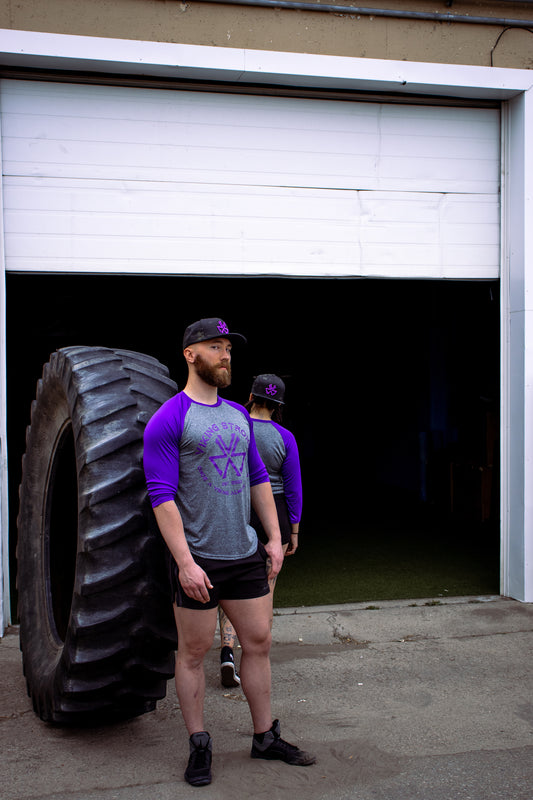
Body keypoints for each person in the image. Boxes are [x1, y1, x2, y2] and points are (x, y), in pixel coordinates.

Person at [143, 317, 316, 787]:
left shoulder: (239, 416)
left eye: (229, 349)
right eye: (215, 347)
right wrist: (184, 563)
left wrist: (274, 538)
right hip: (199, 557)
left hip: (243, 553)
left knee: (258, 643)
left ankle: (265, 737)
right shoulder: (170, 418)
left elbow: (259, 478)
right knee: (193, 654)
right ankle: (200, 744)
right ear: (190, 354)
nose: (225, 355)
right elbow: (161, 497)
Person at [218, 373, 302, 687]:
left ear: (251, 396)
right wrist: (293, 531)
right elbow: (294, 488)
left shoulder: (235, 427)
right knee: (265, 584)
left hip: (237, 508)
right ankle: (255, 657)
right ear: (278, 404)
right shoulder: (285, 437)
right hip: (274, 513)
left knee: (230, 583)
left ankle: (227, 650)